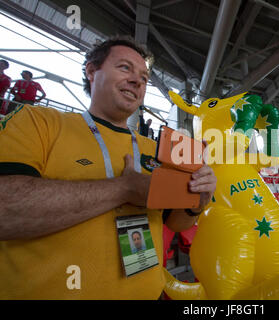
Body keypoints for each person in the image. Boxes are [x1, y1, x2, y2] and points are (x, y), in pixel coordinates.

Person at [0, 35, 217, 299]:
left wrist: (196, 201)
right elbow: (6, 210)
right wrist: (124, 189)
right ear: (92, 71)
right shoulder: (38, 121)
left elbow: (177, 222)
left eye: (144, 78)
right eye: (125, 68)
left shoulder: (158, 149)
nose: (137, 81)